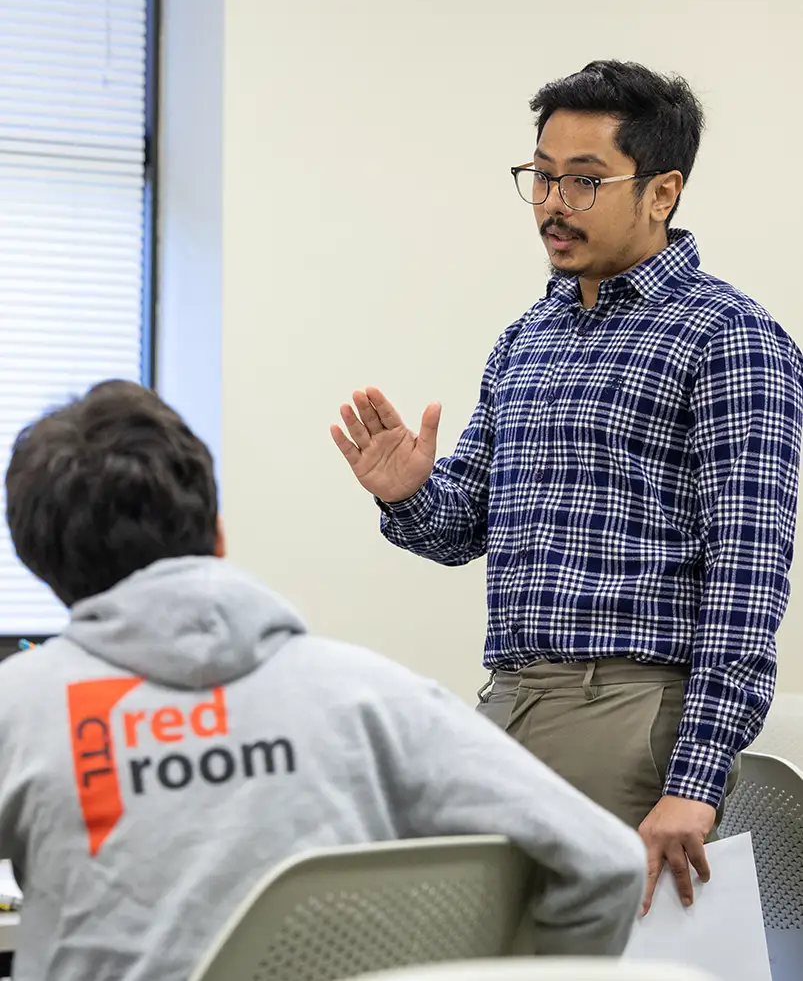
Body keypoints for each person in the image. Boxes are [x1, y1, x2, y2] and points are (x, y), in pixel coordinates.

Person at [331, 60, 803, 915]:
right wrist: (406, 492)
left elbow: (747, 579)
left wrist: (693, 778)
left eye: (584, 182)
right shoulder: (527, 336)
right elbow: (459, 528)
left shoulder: (728, 338)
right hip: (510, 699)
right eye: (541, 177)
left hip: (630, 712)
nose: (552, 203)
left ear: (661, 192)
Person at [0, 381, 644, 981]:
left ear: (42, 567)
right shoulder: (371, 696)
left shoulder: (22, 707)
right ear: (217, 536)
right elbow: (608, 862)